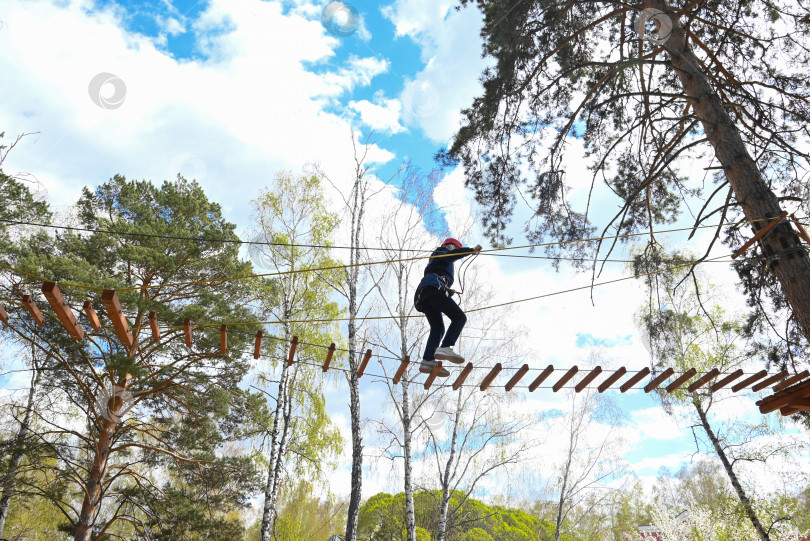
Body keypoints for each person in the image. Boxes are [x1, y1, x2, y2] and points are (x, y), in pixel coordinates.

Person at [414, 237, 482, 377]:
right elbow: (449, 256)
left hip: (426, 294)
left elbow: (440, 269)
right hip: (433, 288)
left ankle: (427, 360)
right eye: (456, 250)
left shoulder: (438, 261)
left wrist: (447, 290)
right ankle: (445, 346)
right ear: (452, 247)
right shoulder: (443, 251)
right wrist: (471, 250)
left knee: (438, 328)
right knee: (459, 317)